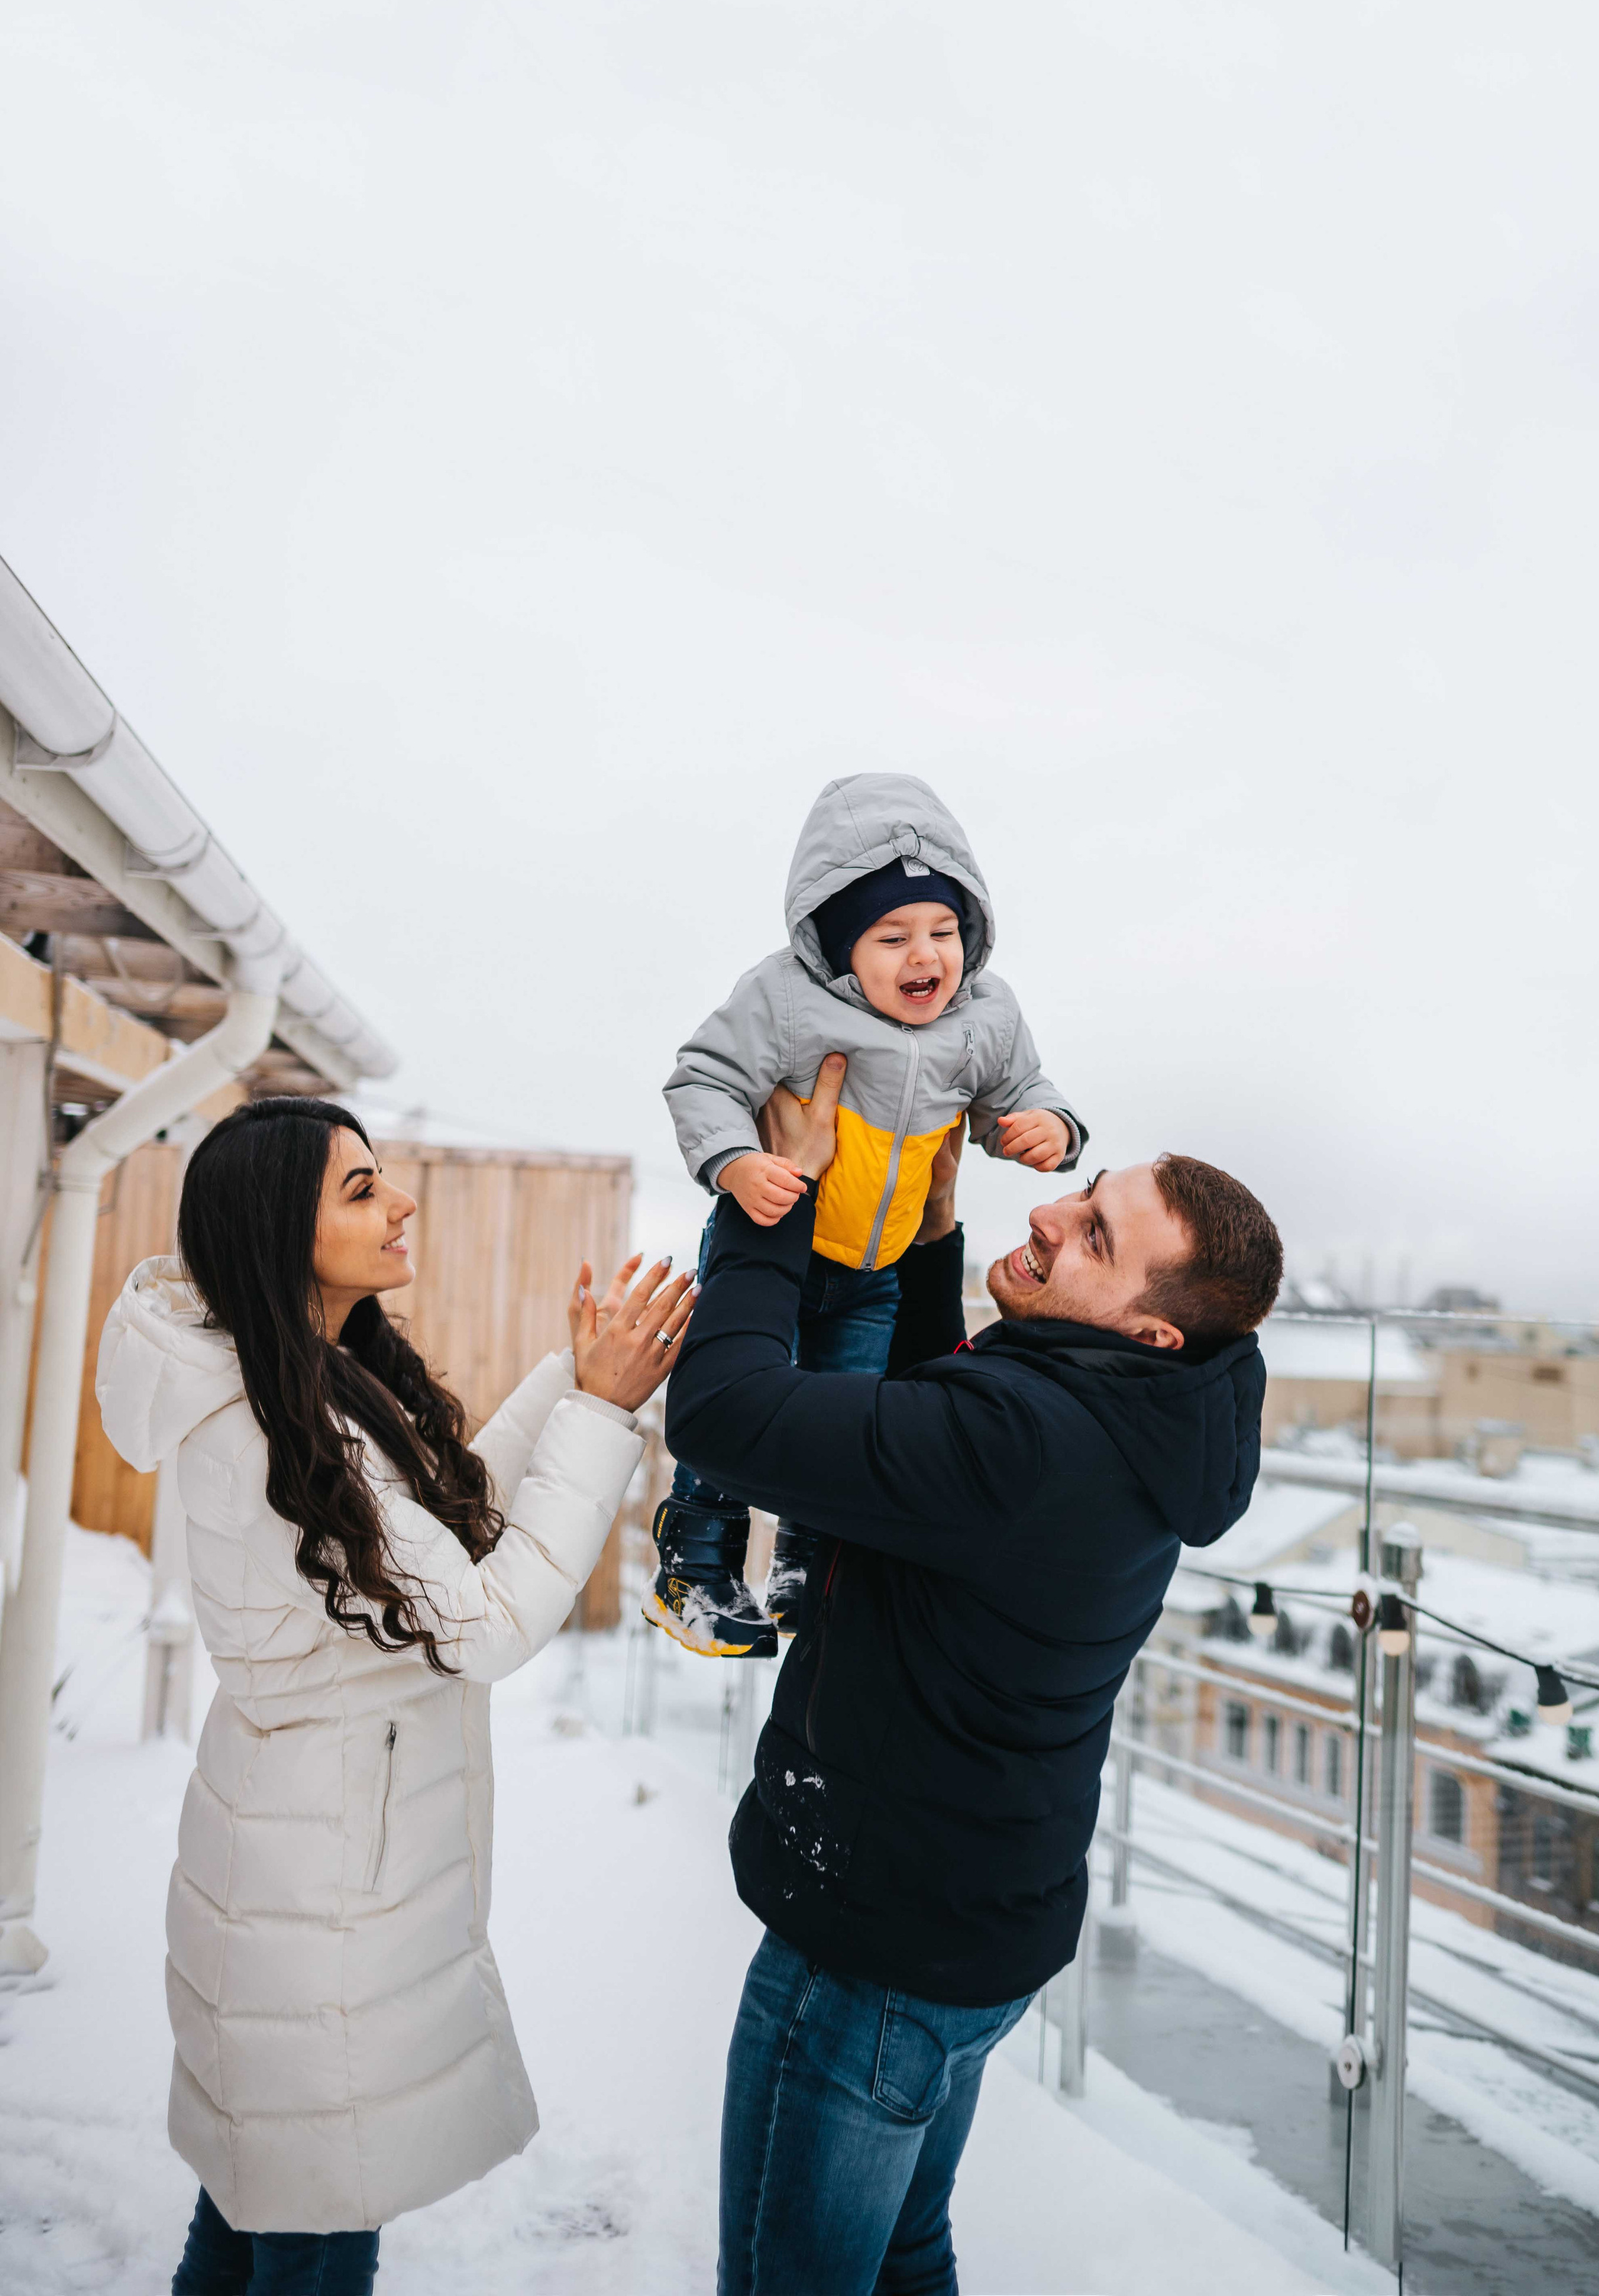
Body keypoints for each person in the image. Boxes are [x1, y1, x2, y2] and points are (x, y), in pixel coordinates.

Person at [665, 1058, 1283, 2296]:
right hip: (973, 1931)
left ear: (1149, 1326)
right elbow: (935, 1417)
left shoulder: (1022, 1449)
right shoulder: (1153, 1421)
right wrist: (933, 1230)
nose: (1049, 1211)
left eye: (1094, 1234)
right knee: (902, 2256)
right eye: (1084, 1191)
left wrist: (760, 1200)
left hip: (870, 1959)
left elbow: (725, 1412)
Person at [95, 1096, 693, 2296]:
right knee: (317, 2221)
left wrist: (574, 1385)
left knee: (260, 2200)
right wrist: (600, 1410)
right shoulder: (273, 1428)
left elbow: (434, 1525)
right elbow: (485, 1622)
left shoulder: (298, 1381)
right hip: (320, 1900)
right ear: (279, 1234)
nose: (400, 1200)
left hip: (302, 1865)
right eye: (360, 1189)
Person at [655, 771, 1086, 1656]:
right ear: (837, 943)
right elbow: (704, 1077)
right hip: (778, 1242)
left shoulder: (986, 1018)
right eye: (891, 936)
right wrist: (735, 1165)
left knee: (843, 1415)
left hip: (873, 1272)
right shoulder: (785, 1001)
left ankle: (804, 1569)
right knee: (742, 1404)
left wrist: (1050, 1128)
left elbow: (1018, 1094)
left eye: (943, 931)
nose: (923, 956)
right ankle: (695, 1562)